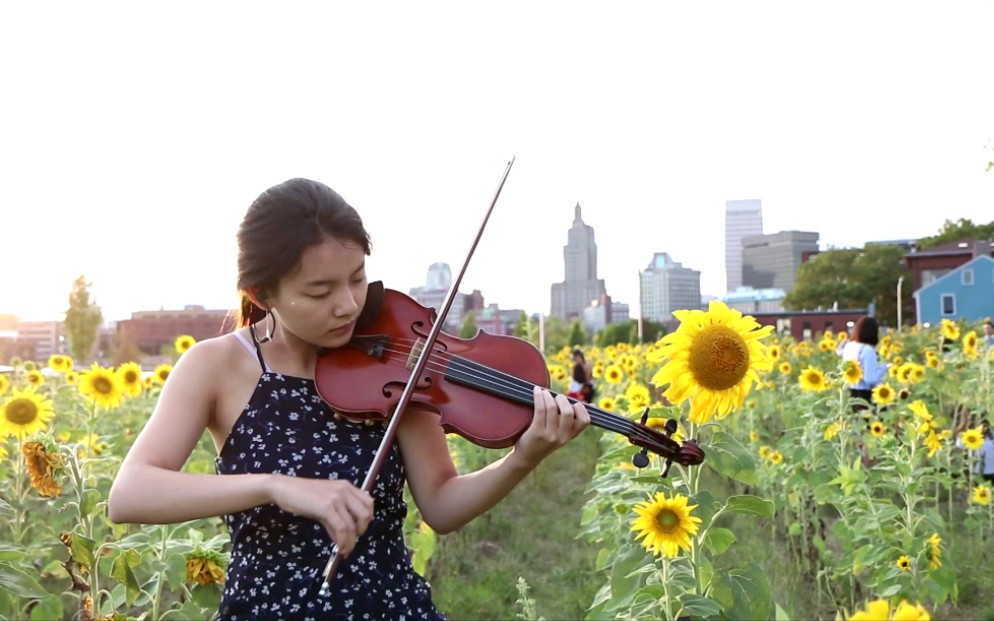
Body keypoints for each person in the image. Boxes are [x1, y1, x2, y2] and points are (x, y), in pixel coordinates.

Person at [107, 178, 591, 620]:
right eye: (319, 292)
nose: (349, 305)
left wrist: (521, 460)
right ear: (261, 293)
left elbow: (441, 507)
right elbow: (131, 494)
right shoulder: (216, 367)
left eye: (357, 278)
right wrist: (275, 485)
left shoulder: (399, 359)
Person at [838, 316, 888, 413]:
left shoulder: (849, 346)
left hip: (852, 393)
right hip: (866, 395)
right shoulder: (867, 350)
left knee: (859, 423)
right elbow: (870, 379)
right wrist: (883, 368)